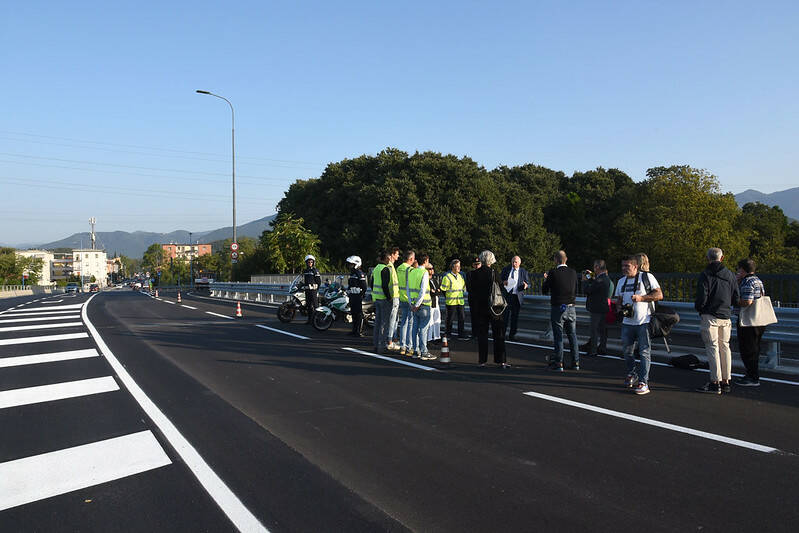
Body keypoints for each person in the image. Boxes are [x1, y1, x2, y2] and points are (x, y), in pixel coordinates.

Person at [614, 255, 663, 395]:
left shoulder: (646, 278)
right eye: (622, 266)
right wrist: (619, 308)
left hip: (643, 321)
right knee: (627, 352)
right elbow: (619, 299)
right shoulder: (621, 281)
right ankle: (632, 373)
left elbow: (659, 295)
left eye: (627, 266)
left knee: (644, 352)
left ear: (635, 266)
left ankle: (644, 382)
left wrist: (641, 298)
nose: (624, 269)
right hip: (627, 322)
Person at [695, 248, 740, 394]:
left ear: (708, 258)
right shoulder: (730, 275)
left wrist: (701, 309)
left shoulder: (705, 274)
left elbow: (702, 297)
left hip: (710, 315)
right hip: (725, 316)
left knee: (712, 348)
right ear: (722, 258)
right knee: (725, 347)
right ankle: (726, 381)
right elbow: (736, 297)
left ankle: (715, 382)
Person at [469, 250, 508, 367]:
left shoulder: (474, 274)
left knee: (482, 334)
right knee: (498, 334)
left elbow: (471, 291)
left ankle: (482, 360)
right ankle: (501, 360)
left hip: (480, 307)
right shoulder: (493, 272)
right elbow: (501, 288)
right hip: (494, 307)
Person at [542, 251, 579, 371]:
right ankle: (575, 362)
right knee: (572, 335)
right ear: (566, 259)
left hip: (558, 307)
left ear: (556, 260)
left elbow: (545, 290)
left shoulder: (553, 273)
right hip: (571, 306)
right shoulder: (573, 272)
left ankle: (559, 362)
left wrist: (546, 279)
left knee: (558, 336)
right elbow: (576, 289)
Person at [735, 258, 766, 387]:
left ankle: (752, 377)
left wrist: (735, 301)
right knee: (754, 348)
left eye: (738, 269)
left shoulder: (748, 282)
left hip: (749, 321)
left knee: (748, 349)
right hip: (759, 320)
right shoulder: (758, 280)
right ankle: (752, 374)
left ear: (742, 270)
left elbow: (747, 302)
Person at [582, 259, 614, 356]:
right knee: (602, 329)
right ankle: (602, 348)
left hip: (596, 308)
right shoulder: (605, 278)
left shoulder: (601, 279)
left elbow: (589, 289)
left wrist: (584, 281)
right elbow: (595, 282)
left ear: (597, 267)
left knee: (594, 329)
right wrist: (590, 275)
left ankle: (593, 350)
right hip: (603, 307)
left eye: (595, 267)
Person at [408, 254, 435, 360]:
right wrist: (418, 304)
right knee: (423, 328)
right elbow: (423, 290)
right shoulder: (424, 272)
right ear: (426, 261)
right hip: (423, 304)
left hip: (414, 304)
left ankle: (416, 350)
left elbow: (408, 289)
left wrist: (412, 304)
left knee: (415, 328)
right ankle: (424, 351)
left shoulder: (411, 272)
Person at [501, 256, 530, 341]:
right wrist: (503, 282)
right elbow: (499, 281)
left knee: (515, 318)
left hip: (517, 298)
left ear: (519, 263)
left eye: (516, 262)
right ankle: (502, 334)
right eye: (513, 262)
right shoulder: (506, 269)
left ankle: (512, 335)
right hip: (507, 296)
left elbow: (528, 283)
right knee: (505, 317)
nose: (514, 264)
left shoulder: (523, 272)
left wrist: (526, 286)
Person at [370, 251, 393, 353]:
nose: (390, 260)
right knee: (384, 323)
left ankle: (376, 344)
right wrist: (389, 297)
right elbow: (385, 285)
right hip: (384, 299)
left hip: (377, 298)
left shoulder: (376, 268)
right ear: (386, 259)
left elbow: (371, 283)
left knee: (378, 322)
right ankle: (381, 346)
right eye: (389, 258)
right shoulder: (385, 269)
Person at [440, 259, 468, 340]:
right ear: (452, 267)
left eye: (459, 266)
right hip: (451, 302)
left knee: (461, 318)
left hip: (460, 301)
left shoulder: (460, 276)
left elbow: (462, 288)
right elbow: (443, 289)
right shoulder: (447, 277)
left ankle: (461, 334)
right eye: (457, 266)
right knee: (450, 319)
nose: (459, 268)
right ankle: (448, 334)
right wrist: (448, 297)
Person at [395, 250, 416, 355]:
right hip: (409, 298)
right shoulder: (410, 270)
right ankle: (409, 346)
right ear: (411, 259)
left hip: (401, 297)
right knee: (411, 323)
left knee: (403, 322)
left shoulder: (399, 268)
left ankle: (402, 346)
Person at [346, 255, 367, 337]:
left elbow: (364, 286)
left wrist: (361, 295)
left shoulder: (359, 273)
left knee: (358, 314)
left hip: (358, 297)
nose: (350, 266)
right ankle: (354, 330)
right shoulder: (352, 274)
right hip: (352, 296)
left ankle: (359, 331)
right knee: (353, 314)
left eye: (352, 264)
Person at [386, 247, 401, 351]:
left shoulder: (392, 266)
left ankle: (394, 339)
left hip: (395, 296)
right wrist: (390, 297)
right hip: (393, 297)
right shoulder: (390, 267)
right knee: (392, 320)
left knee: (395, 319)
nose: (398, 256)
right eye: (397, 254)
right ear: (392, 255)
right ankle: (390, 341)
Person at [465, 256, 482, 339]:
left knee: (481, 317)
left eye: (478, 264)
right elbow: (468, 286)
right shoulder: (470, 273)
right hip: (473, 298)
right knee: (474, 316)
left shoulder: (483, 273)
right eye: (475, 264)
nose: (477, 266)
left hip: (481, 298)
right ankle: (474, 333)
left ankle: (481, 333)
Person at [302, 254, 321, 324]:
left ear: (313, 262)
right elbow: (305, 280)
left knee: (316, 306)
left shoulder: (315, 270)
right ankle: (310, 320)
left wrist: (316, 289)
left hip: (313, 290)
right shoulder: (305, 271)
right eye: (308, 262)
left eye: (311, 262)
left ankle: (318, 320)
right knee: (309, 306)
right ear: (306, 263)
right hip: (307, 291)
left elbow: (319, 281)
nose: (310, 263)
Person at [427, 264, 443, 343]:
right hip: (430, 302)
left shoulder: (434, 280)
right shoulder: (426, 280)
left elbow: (438, 290)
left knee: (437, 319)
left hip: (436, 301)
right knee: (430, 321)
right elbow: (431, 292)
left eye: (432, 268)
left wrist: (435, 291)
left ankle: (437, 336)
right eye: (430, 269)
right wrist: (435, 291)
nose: (432, 270)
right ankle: (429, 338)